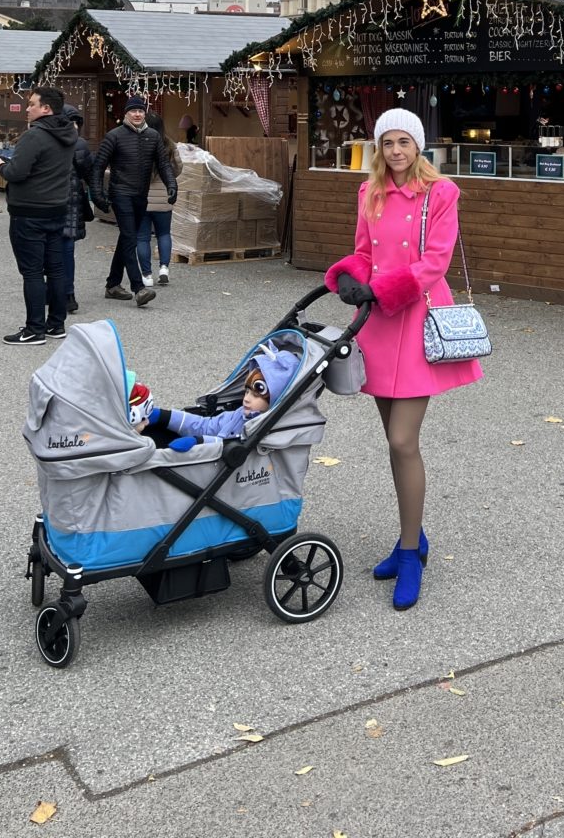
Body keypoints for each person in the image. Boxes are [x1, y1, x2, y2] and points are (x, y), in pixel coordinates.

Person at [324, 108, 482, 611]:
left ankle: (411, 552)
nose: (395, 151)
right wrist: (350, 275)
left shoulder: (442, 193)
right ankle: (410, 536)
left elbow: (435, 261)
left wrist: (381, 286)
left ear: (418, 146)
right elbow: (363, 251)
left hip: (416, 321)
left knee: (402, 440)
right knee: (393, 445)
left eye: (403, 142)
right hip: (378, 324)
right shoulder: (368, 192)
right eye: (387, 143)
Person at [0, 85, 78, 346]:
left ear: (46, 108)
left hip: (29, 211)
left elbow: (17, 172)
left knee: (32, 272)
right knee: (55, 269)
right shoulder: (68, 133)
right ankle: (56, 324)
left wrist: (2, 166)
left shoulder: (35, 136)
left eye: (32, 104)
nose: (27, 108)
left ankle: (34, 329)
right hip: (56, 208)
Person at [90, 95, 178, 308]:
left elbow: (164, 164)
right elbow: (98, 167)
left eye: (140, 110)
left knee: (126, 238)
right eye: (133, 110)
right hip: (120, 193)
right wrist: (97, 194)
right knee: (131, 237)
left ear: (144, 113)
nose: (137, 114)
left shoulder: (153, 136)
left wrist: (172, 185)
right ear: (126, 114)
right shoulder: (114, 136)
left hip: (141, 194)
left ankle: (112, 285)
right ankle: (138, 288)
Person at [147, 345, 300, 449]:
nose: (246, 399)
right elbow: (206, 426)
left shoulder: (269, 430)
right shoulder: (239, 414)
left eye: (256, 395)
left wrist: (199, 442)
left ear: (276, 398)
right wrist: (164, 416)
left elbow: (233, 444)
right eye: (246, 391)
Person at [136, 110, 181, 290]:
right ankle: (164, 269)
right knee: (164, 234)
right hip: (164, 198)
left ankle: (146, 275)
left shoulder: (137, 142)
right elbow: (178, 169)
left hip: (142, 198)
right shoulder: (170, 145)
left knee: (142, 237)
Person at [59, 104, 94, 315]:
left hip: (64, 203)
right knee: (64, 250)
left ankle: (65, 292)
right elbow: (88, 173)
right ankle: (66, 292)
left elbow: (87, 172)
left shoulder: (50, 141)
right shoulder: (78, 143)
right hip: (71, 203)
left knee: (61, 249)